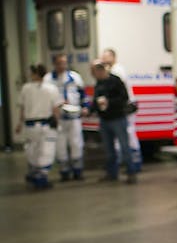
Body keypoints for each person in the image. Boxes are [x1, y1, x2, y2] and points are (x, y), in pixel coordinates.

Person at [90, 61, 139, 184]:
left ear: (102, 71)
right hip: (105, 120)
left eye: (96, 73)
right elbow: (96, 100)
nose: (95, 76)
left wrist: (109, 102)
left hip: (118, 118)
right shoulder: (99, 84)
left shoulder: (116, 81)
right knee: (109, 149)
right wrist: (91, 109)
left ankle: (131, 173)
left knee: (124, 146)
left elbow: (124, 98)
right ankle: (112, 173)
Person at [43, 53, 87, 181]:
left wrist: (85, 107)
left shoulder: (74, 77)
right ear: (54, 64)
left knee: (76, 143)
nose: (62, 65)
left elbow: (82, 94)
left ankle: (78, 170)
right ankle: (64, 171)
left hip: (74, 116)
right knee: (60, 145)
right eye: (59, 63)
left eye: (64, 63)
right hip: (59, 118)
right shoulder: (48, 79)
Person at [17, 64, 61, 189]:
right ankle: (41, 177)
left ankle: (33, 173)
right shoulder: (51, 88)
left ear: (35, 74)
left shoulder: (25, 88)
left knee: (32, 149)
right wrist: (57, 122)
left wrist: (19, 124)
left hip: (30, 125)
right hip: (46, 125)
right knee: (46, 150)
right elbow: (56, 108)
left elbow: (22, 107)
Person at [101, 48, 142, 170]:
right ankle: (125, 161)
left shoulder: (118, 70)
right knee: (125, 134)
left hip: (126, 106)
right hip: (122, 106)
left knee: (129, 132)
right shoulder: (113, 70)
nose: (104, 59)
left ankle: (135, 162)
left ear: (113, 57)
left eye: (106, 57)